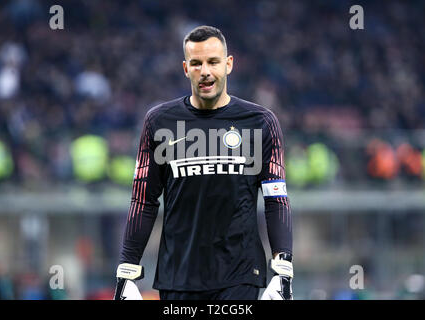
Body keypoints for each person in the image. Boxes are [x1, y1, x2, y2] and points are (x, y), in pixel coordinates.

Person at [114, 25, 293, 300]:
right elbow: (143, 200)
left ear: (229, 64)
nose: (205, 71)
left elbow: (276, 199)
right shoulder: (159, 122)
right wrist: (127, 272)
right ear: (185, 68)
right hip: (178, 275)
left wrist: (283, 270)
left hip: (240, 275)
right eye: (196, 63)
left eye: (213, 62)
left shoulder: (261, 122)